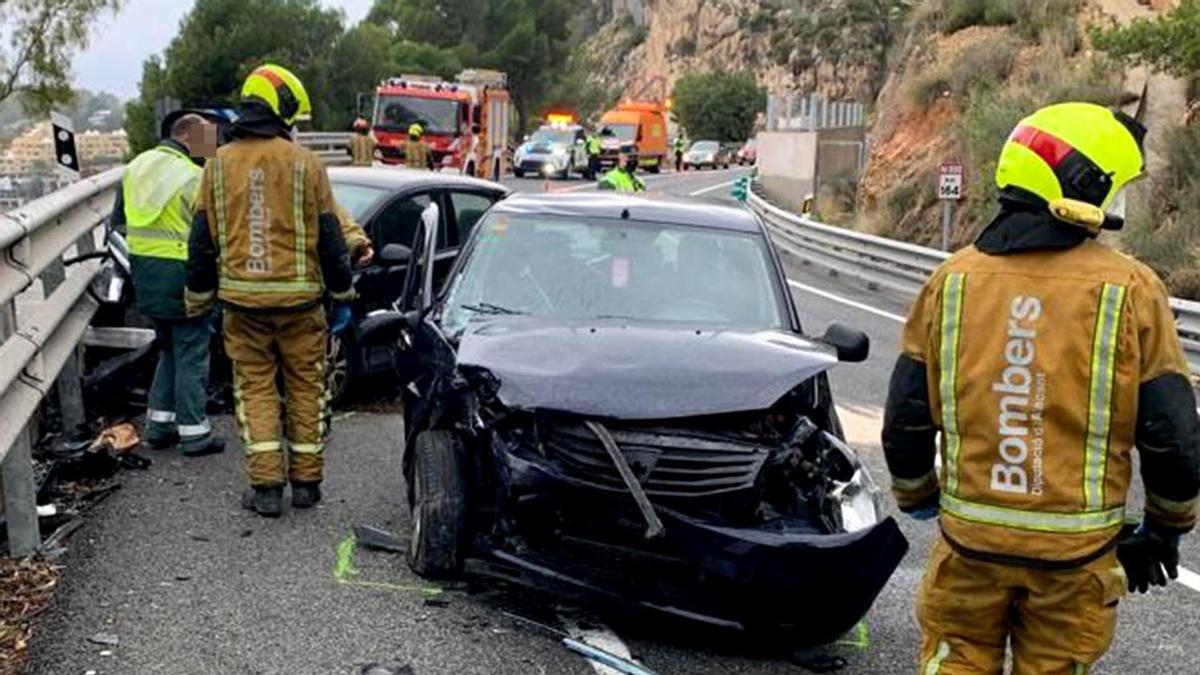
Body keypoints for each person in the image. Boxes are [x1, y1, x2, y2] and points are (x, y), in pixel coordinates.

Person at [882, 102, 1200, 674]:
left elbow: (905, 413)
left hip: (968, 549)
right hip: (1074, 562)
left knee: (953, 663)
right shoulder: (1131, 290)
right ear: (1080, 182)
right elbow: (1171, 431)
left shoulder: (950, 281)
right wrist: (1165, 530)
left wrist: (917, 496)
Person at [185, 63, 356, 518]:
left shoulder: (216, 164)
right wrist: (342, 296)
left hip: (242, 307)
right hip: (302, 306)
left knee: (256, 390)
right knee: (305, 386)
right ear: (281, 110)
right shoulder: (306, 164)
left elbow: (201, 240)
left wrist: (198, 300)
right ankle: (305, 485)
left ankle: (265, 490)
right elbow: (331, 239)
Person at [114, 114, 224, 457]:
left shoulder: (135, 167)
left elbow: (117, 221)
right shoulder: (194, 176)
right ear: (190, 138)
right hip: (182, 273)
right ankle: (194, 433)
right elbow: (210, 234)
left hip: (145, 274)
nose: (213, 147)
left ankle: (159, 426)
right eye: (208, 139)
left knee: (169, 350)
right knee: (192, 352)